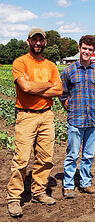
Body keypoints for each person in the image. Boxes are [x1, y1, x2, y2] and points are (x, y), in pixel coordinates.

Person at [7, 28, 63, 218]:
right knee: (21, 159)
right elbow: (25, 86)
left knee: (45, 158)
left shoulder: (51, 66)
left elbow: (59, 91)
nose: (37, 43)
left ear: (45, 42)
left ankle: (39, 192)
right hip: (26, 116)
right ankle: (14, 198)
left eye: (41, 40)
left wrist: (35, 88)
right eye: (34, 40)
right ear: (28, 41)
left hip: (46, 115)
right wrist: (47, 85)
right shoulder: (20, 62)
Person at [59, 35, 95, 199]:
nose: (87, 52)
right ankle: (68, 186)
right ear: (79, 48)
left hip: (93, 120)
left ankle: (85, 183)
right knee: (72, 155)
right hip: (75, 121)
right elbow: (62, 95)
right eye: (84, 48)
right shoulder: (68, 71)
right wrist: (71, 109)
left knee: (88, 155)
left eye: (90, 50)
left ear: (93, 52)